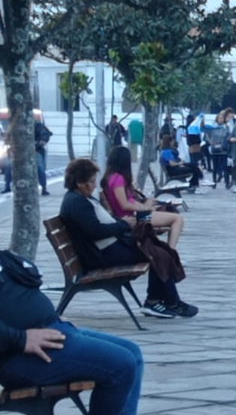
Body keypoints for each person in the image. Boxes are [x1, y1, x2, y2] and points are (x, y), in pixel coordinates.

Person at [0, 249, 144, 415]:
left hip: (49, 328)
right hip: (16, 353)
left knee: (133, 352)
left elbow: (26, 281)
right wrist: (21, 339)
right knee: (121, 365)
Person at [59, 158, 196, 319]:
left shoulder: (80, 198)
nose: (94, 185)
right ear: (79, 182)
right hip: (102, 256)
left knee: (158, 250)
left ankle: (160, 301)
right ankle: (164, 302)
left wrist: (124, 224)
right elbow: (96, 230)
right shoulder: (78, 203)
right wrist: (124, 225)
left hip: (107, 249)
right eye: (91, 181)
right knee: (158, 253)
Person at [101, 146, 186, 249]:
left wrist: (146, 206)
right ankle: (171, 252)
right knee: (177, 219)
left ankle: (169, 252)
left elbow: (130, 200)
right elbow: (124, 205)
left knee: (172, 216)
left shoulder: (111, 177)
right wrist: (145, 207)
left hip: (137, 215)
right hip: (135, 218)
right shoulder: (118, 179)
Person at [205, 109, 233, 190]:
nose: (220, 119)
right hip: (215, 149)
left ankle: (227, 182)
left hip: (223, 149)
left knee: (225, 166)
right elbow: (207, 135)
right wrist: (211, 143)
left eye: (222, 118)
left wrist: (227, 140)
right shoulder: (213, 127)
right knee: (215, 167)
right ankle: (214, 182)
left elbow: (230, 134)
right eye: (219, 118)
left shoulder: (226, 127)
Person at [34, 119, 51, 196]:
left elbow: (45, 136)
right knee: (9, 167)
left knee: (39, 168)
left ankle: (44, 187)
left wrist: (38, 144)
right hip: (21, 151)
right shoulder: (17, 125)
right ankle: (8, 186)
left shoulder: (37, 125)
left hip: (36, 150)